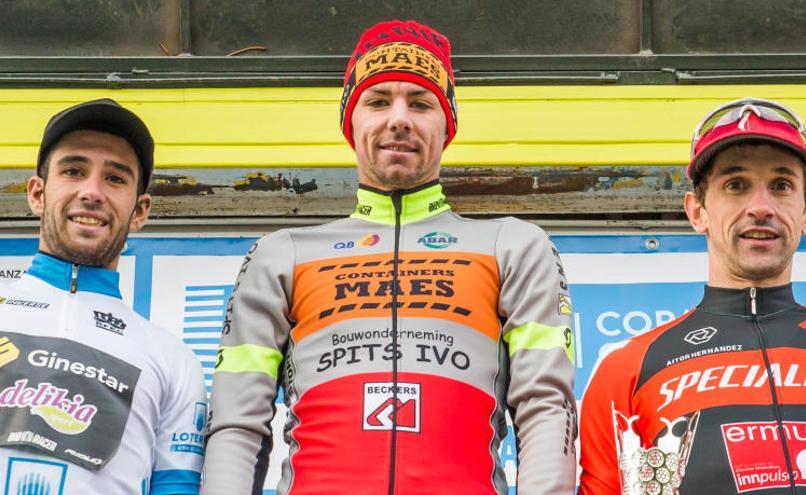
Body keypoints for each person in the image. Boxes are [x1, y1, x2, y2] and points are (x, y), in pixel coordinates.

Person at [203, 20, 577, 495]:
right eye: (378, 101)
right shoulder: (282, 254)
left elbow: (546, 406)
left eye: (420, 104)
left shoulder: (513, 245)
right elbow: (237, 423)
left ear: (447, 128)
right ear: (351, 123)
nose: (398, 119)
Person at [578, 97, 806, 494]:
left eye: (782, 185)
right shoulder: (626, 371)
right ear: (696, 211)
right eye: (735, 185)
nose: (760, 207)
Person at [0, 99, 206, 494]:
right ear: (37, 193)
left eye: (115, 178)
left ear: (141, 210)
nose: (91, 192)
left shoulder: (173, 361)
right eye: (74, 171)